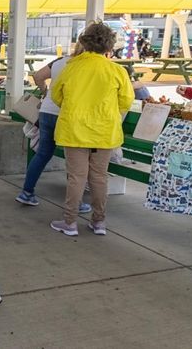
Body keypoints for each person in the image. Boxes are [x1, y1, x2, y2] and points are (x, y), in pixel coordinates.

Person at [48, 22, 134, 237]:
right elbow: (126, 101)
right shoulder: (117, 70)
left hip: (74, 130)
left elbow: (57, 96)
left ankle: (69, 222)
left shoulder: (72, 67)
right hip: (105, 132)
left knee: (76, 177)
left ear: (85, 42)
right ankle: (99, 222)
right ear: (110, 46)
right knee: (99, 177)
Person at [15, 44, 92, 214]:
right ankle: (76, 202)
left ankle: (27, 192)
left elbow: (37, 76)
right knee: (74, 159)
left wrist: (46, 92)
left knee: (43, 154)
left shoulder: (59, 62)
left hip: (47, 111)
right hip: (67, 114)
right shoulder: (85, 66)